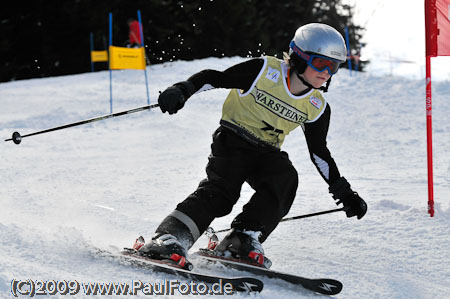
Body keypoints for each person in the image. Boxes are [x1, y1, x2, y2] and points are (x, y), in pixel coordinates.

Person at [138, 23, 367, 269]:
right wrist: (183, 90)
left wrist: (345, 193)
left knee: (284, 178)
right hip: (233, 140)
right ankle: (169, 237)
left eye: (334, 66)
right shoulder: (264, 71)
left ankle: (243, 238)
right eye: (320, 63)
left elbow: (319, 153)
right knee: (222, 192)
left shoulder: (316, 106)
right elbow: (214, 78)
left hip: (267, 152)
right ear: (299, 57)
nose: (327, 72)